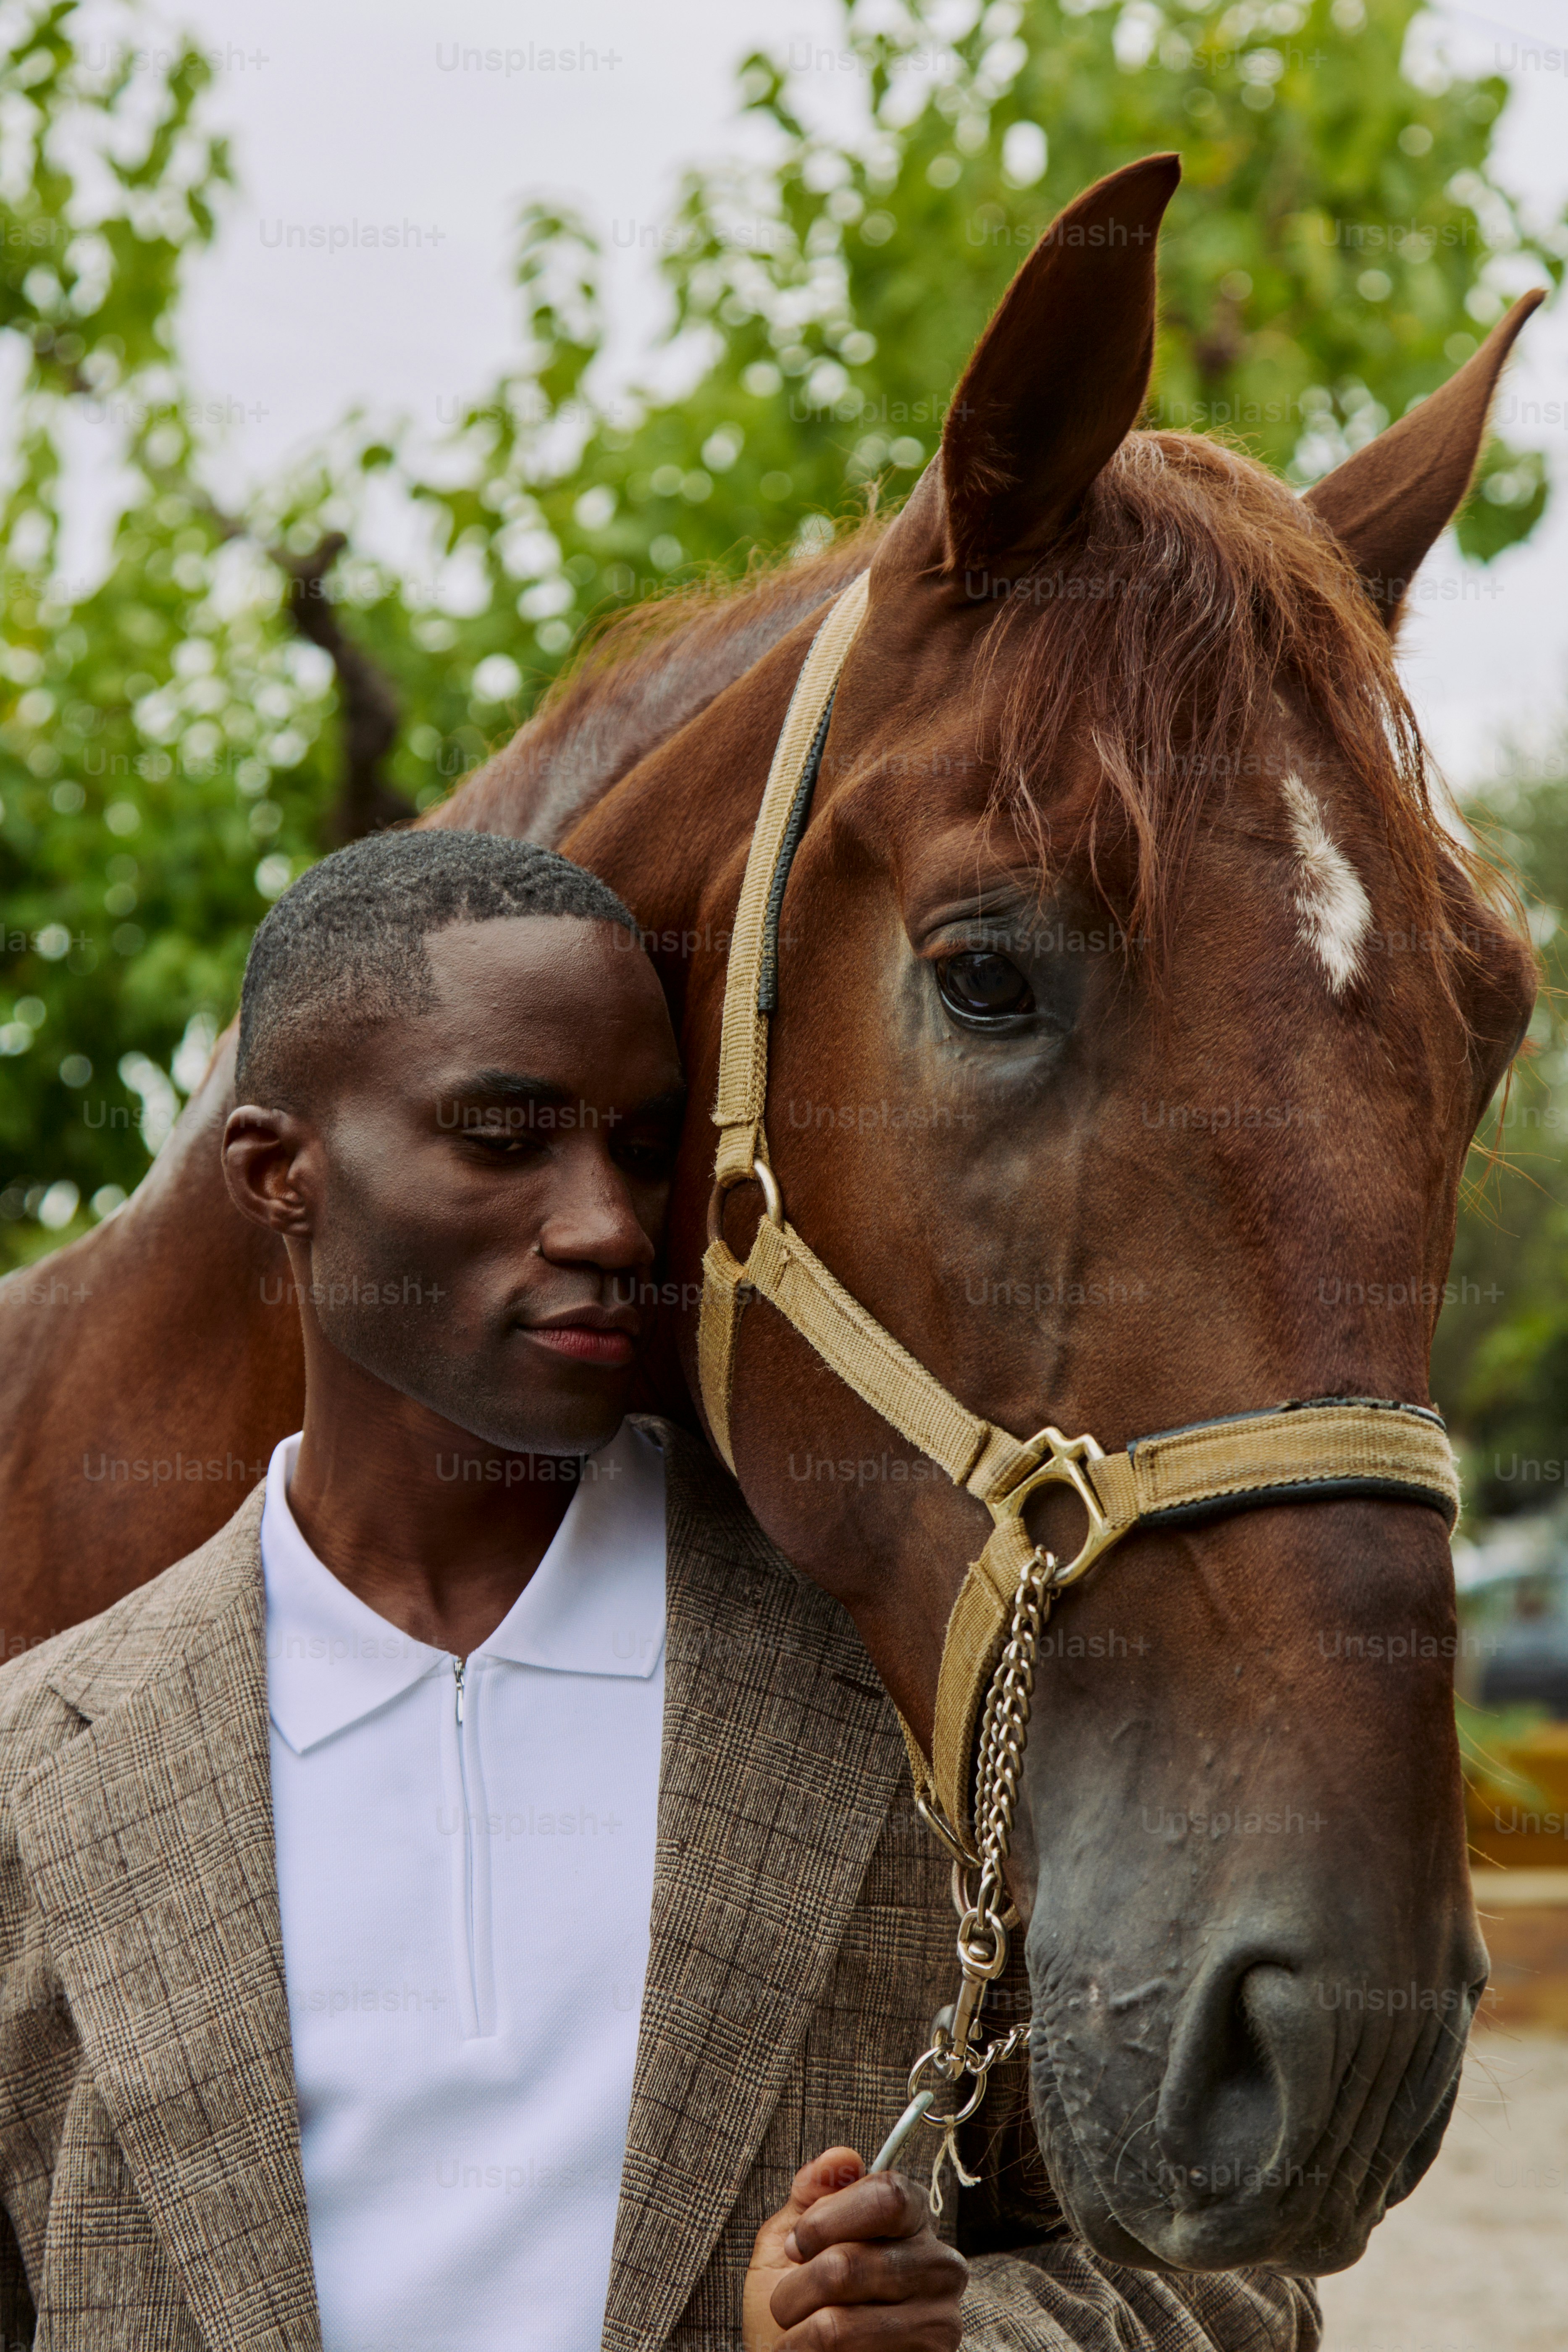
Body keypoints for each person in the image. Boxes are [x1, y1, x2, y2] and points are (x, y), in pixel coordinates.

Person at [0, 830, 1316, 2350]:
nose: (611, 1225)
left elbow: (1227, 2273)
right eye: (504, 1136)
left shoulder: (933, 1702)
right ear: (278, 1173)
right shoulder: (39, 1783)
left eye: (640, 1145)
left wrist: (957, 2341)